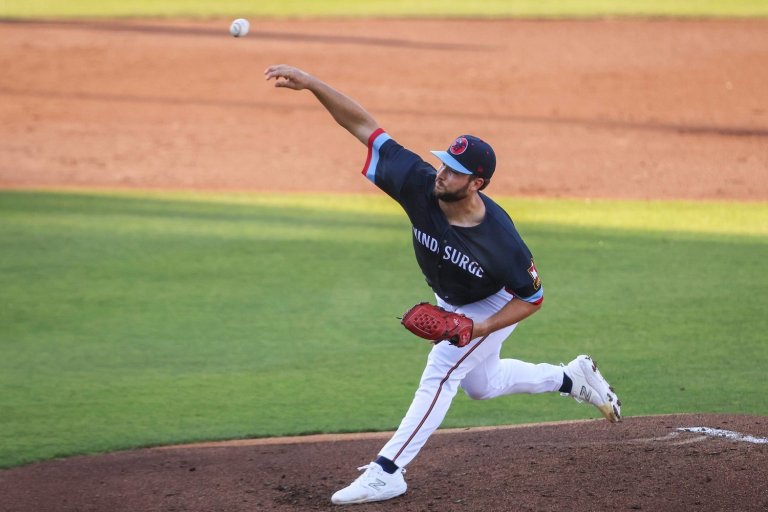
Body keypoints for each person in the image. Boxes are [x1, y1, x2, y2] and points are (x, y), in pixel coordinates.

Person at [264, 64, 622, 505]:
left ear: (477, 183)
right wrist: (313, 83)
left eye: (454, 170)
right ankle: (570, 378)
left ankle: (387, 471)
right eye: (443, 163)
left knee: (442, 371)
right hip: (452, 296)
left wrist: (481, 327)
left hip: (492, 302)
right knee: (482, 385)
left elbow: (533, 298)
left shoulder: (502, 242)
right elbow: (366, 128)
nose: (442, 172)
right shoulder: (418, 184)